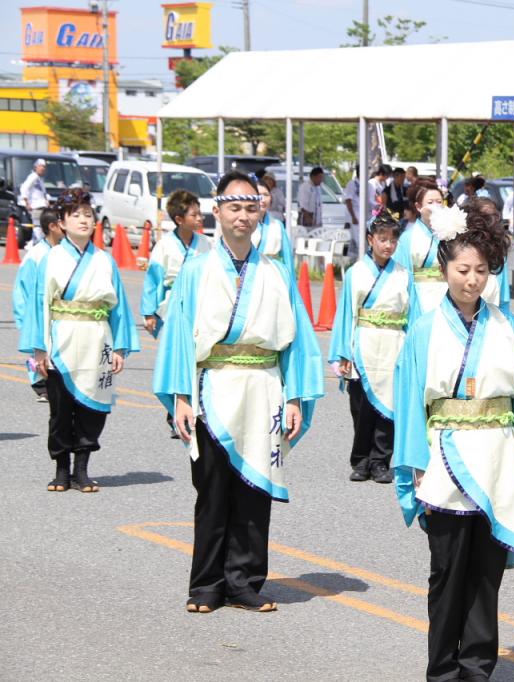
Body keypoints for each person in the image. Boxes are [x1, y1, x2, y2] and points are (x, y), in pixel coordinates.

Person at [393, 200, 514, 682]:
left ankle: (478, 666)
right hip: (444, 456)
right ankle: (442, 668)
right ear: (445, 268)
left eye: (482, 270)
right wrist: (415, 462)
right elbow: (409, 403)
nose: (472, 280)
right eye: (463, 269)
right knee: (446, 572)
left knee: (487, 573)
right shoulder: (423, 329)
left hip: (498, 454)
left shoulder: (509, 328)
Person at [153, 171, 323, 614]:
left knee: (254, 488)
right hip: (212, 387)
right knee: (211, 489)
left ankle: (245, 580)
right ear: (217, 210)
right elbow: (178, 340)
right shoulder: (195, 270)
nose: (242, 216)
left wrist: (294, 398)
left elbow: (298, 341)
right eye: (234, 206)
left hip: (263, 386)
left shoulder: (277, 272)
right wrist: (182, 396)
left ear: (261, 211)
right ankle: (206, 584)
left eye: (251, 207)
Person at [19, 188, 140, 493]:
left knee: (93, 408)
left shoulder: (104, 260)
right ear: (61, 222)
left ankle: (82, 470)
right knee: (60, 409)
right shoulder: (51, 258)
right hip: (62, 338)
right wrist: (39, 349)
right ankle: (61, 469)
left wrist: (120, 348)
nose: (84, 220)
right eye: (76, 215)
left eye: (88, 214)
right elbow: (39, 304)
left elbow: (120, 307)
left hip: (97, 338)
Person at [329, 211, 409, 484]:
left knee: (388, 405)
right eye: (382, 239)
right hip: (363, 343)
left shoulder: (403, 275)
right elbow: (345, 314)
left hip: (393, 344)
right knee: (361, 406)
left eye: (392, 240)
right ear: (370, 240)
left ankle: (380, 461)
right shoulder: (356, 273)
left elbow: (413, 315)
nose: (387, 245)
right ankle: (361, 460)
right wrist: (342, 352)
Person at [141, 190, 213, 436]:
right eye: (194, 214)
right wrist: (149, 312)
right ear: (180, 219)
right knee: (175, 359)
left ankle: (192, 408)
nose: (199, 218)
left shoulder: (206, 244)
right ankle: (174, 411)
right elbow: (154, 281)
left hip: (200, 306)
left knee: (196, 359)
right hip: (171, 308)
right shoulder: (164, 246)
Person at [395, 183, 509, 322]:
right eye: (430, 202)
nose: (435, 206)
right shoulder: (409, 237)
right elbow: (401, 273)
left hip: (450, 289)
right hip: (420, 293)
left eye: (439, 201)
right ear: (419, 206)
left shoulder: (452, 233)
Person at [12, 206, 63, 402]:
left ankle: (51, 383)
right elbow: (22, 290)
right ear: (52, 227)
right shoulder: (37, 255)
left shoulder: (59, 252)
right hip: (36, 312)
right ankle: (41, 384)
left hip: (53, 312)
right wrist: (24, 316)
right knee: (38, 348)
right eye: (61, 223)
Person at [254, 178, 295, 279]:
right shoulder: (244, 223)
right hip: (251, 274)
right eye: (258, 195)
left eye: (266, 195)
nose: (262, 199)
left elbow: (287, 258)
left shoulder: (277, 225)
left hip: (274, 276)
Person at [20, 158, 49, 244]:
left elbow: (43, 193)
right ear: (36, 167)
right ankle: (39, 244)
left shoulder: (39, 179)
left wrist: (46, 201)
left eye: (44, 166)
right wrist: (26, 202)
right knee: (38, 227)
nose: (43, 168)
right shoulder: (33, 176)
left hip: (42, 207)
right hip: (36, 207)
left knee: (39, 227)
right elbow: (24, 188)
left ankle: (33, 244)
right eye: (41, 166)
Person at [297, 166, 324, 234]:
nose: (321, 180)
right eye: (319, 177)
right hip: (307, 219)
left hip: (316, 221)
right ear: (313, 177)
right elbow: (302, 205)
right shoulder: (305, 187)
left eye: (321, 177)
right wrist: (308, 217)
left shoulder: (318, 188)